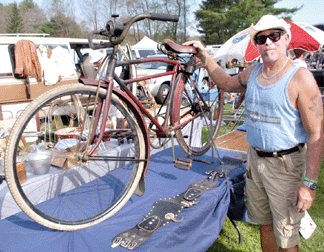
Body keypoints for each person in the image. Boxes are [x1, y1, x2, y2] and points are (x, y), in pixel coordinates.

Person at [184, 14, 324, 252]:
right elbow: (227, 83)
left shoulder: (301, 79)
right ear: (256, 44)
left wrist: (309, 184)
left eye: (274, 35)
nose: (268, 42)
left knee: (287, 235)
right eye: (261, 38)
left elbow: (316, 134)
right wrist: (205, 57)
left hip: (286, 166)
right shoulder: (253, 72)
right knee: (264, 223)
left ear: (286, 39)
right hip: (255, 161)